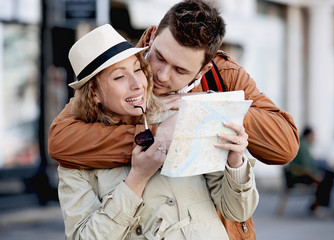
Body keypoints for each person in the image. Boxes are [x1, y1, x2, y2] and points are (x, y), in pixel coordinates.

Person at [48, 0, 299, 239]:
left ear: (203, 71)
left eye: (180, 70)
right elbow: (60, 142)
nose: (160, 75)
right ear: (152, 36)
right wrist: (156, 137)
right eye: (158, 56)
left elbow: (284, 148)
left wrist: (216, 110)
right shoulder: (113, 75)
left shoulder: (223, 77)